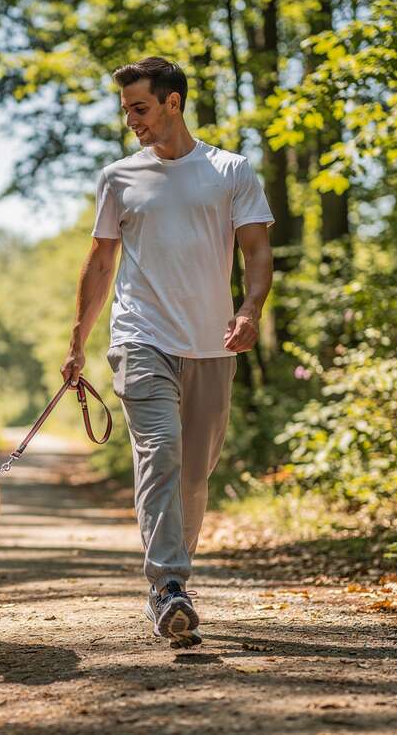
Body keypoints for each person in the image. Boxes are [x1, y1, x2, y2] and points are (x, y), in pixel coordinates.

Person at [60, 56, 274, 646]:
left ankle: (171, 578)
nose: (131, 120)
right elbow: (101, 261)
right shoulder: (119, 177)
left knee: (195, 475)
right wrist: (78, 338)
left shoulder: (230, 170)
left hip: (212, 343)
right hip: (140, 336)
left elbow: (256, 251)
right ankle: (169, 585)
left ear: (173, 103)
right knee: (160, 454)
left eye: (140, 108)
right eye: (127, 109)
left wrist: (250, 309)